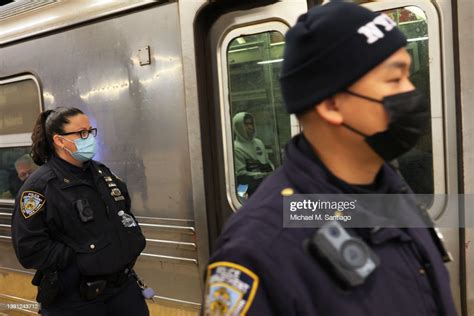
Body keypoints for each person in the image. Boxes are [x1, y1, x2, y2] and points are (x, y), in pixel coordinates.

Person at [202, 2, 456, 316]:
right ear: (332, 105)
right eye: (394, 80)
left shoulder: (391, 193)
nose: (411, 91)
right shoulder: (260, 249)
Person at [11, 107, 149, 315]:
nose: (89, 138)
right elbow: (29, 247)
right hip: (77, 300)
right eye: (81, 133)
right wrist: (81, 259)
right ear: (59, 141)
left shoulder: (103, 174)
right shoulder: (40, 187)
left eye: (90, 131)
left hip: (123, 290)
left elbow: (124, 214)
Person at [232, 112, 274, 198]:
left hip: (263, 185)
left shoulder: (258, 143)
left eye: (251, 123)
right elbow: (241, 175)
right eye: (246, 124)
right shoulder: (235, 147)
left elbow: (267, 162)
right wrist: (261, 175)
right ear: (238, 126)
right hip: (244, 187)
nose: (250, 127)